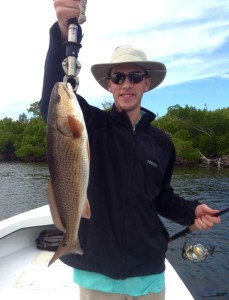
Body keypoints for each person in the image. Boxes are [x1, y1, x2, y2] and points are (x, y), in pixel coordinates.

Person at [39, 1, 221, 299]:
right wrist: (63, 31)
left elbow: (161, 197)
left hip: (148, 271)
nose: (126, 84)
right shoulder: (90, 125)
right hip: (96, 270)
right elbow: (51, 100)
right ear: (109, 85)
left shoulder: (162, 142)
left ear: (147, 83)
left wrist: (192, 211)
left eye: (135, 77)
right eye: (118, 77)